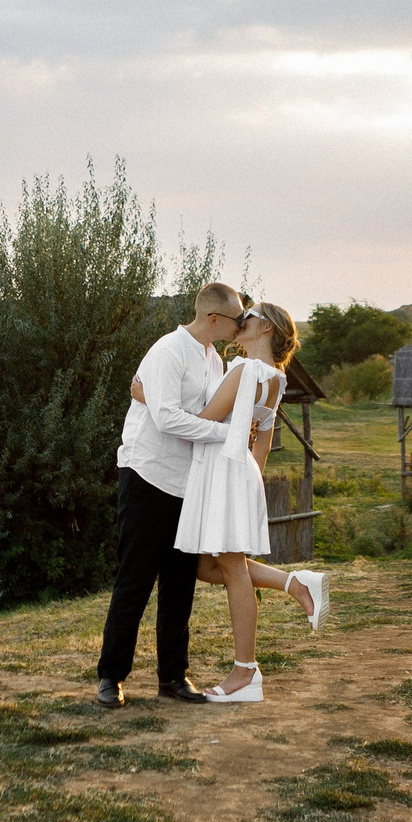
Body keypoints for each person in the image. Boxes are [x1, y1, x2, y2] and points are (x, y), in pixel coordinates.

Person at [161, 303, 327, 704]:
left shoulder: (244, 370)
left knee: (231, 567)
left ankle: (245, 671)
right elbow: (264, 438)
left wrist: (148, 394)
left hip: (225, 470)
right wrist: (249, 480)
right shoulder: (276, 378)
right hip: (240, 472)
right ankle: (294, 582)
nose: (241, 322)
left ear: (265, 327)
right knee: (205, 565)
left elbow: (200, 422)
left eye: (247, 317)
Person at [95, 282, 249, 707]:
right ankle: (111, 677)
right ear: (214, 319)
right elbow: (165, 419)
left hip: (189, 482)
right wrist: (224, 434)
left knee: (180, 583)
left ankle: (173, 678)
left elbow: (199, 413)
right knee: (135, 579)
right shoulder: (168, 350)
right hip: (147, 476)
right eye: (237, 318)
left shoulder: (215, 360)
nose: (242, 324)